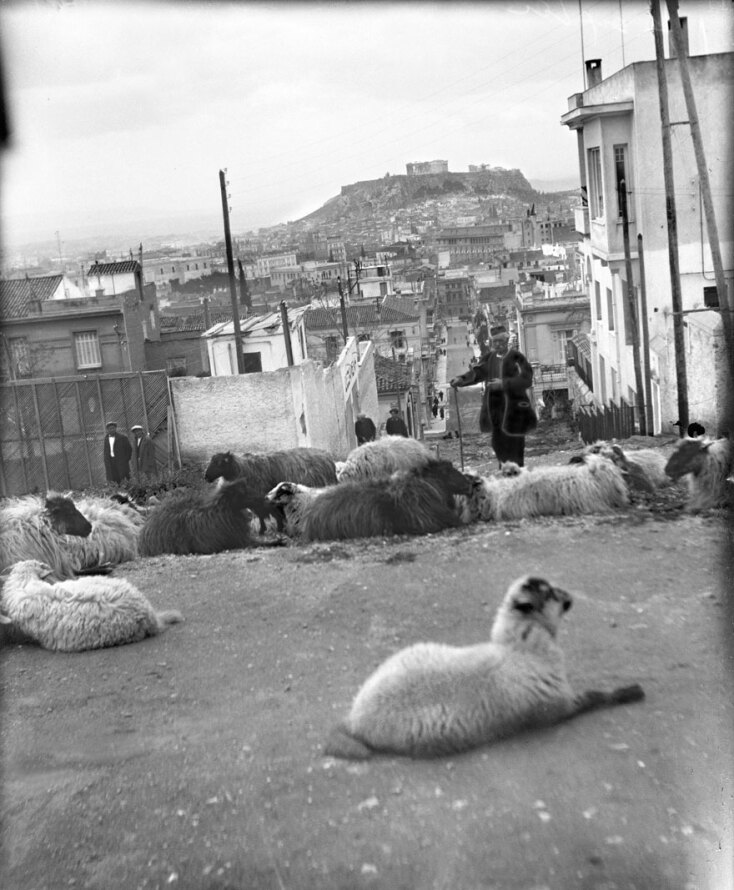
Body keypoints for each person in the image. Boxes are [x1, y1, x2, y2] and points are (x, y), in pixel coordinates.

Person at [450, 325, 536, 468]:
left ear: (507, 340)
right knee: (498, 445)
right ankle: (505, 473)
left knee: (515, 446)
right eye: (495, 342)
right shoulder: (489, 359)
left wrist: (504, 384)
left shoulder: (517, 358)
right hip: (495, 411)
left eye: (501, 341)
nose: (497, 344)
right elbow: (477, 373)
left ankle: (517, 477)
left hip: (515, 410)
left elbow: (527, 380)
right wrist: (461, 379)